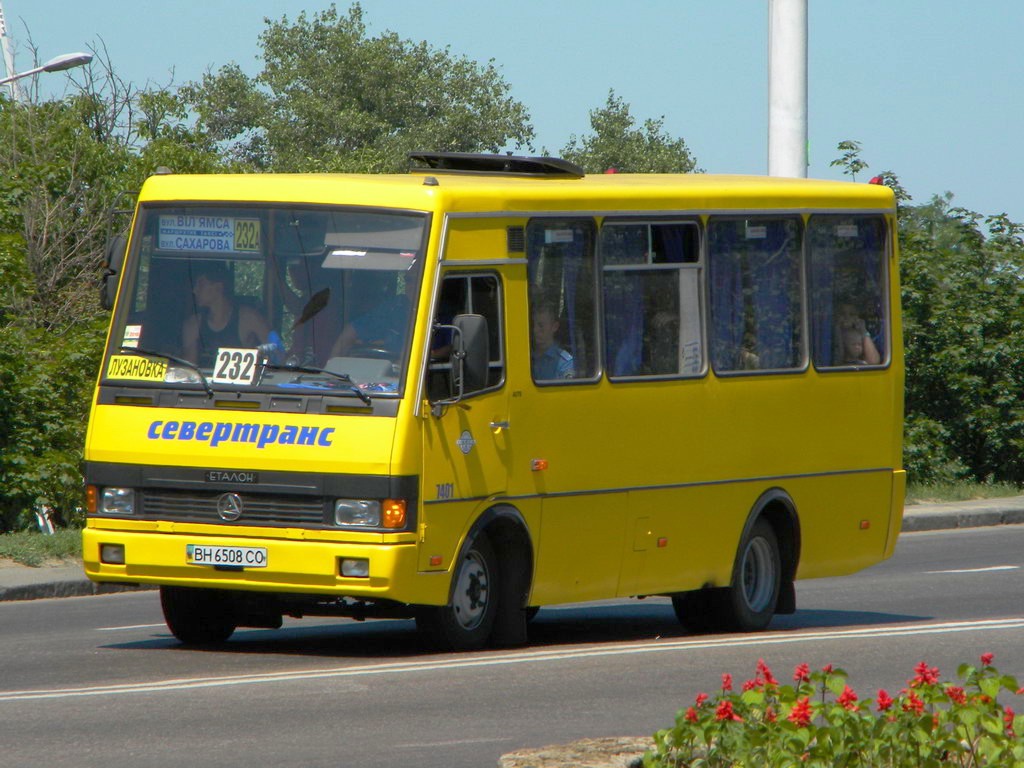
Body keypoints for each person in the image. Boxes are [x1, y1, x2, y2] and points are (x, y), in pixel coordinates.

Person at [182, 261, 270, 368]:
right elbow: (189, 370)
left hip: (244, 385)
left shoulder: (249, 318)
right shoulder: (193, 325)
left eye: (201, 284)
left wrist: (259, 352)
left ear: (218, 287)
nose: (195, 290)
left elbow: (276, 349)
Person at [329, 275, 414, 359]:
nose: (411, 285)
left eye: (416, 279)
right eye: (408, 279)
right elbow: (351, 332)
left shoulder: (427, 316)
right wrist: (331, 366)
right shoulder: (394, 307)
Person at [531, 303, 574, 380]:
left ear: (555, 327)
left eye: (541, 326)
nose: (535, 330)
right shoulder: (526, 356)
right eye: (533, 325)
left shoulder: (565, 363)